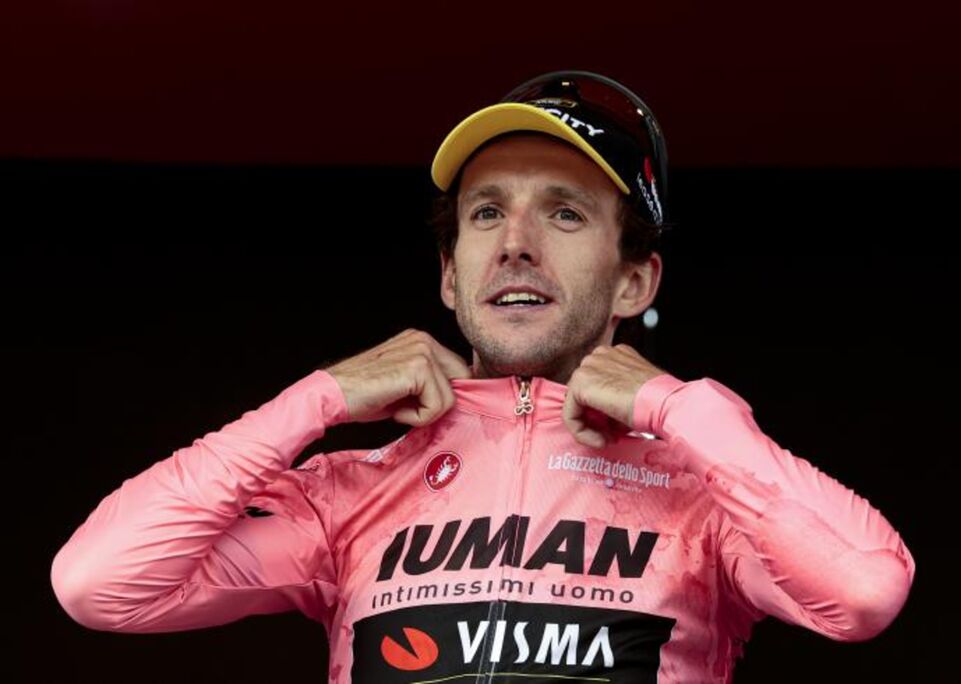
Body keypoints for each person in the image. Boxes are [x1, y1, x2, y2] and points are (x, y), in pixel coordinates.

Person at [50, 70, 915, 683]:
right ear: (449, 275)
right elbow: (98, 585)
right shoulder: (353, 491)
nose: (515, 244)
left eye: (564, 214)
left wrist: (679, 408)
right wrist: (316, 399)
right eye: (488, 211)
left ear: (634, 282)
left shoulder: (705, 491)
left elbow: (866, 592)